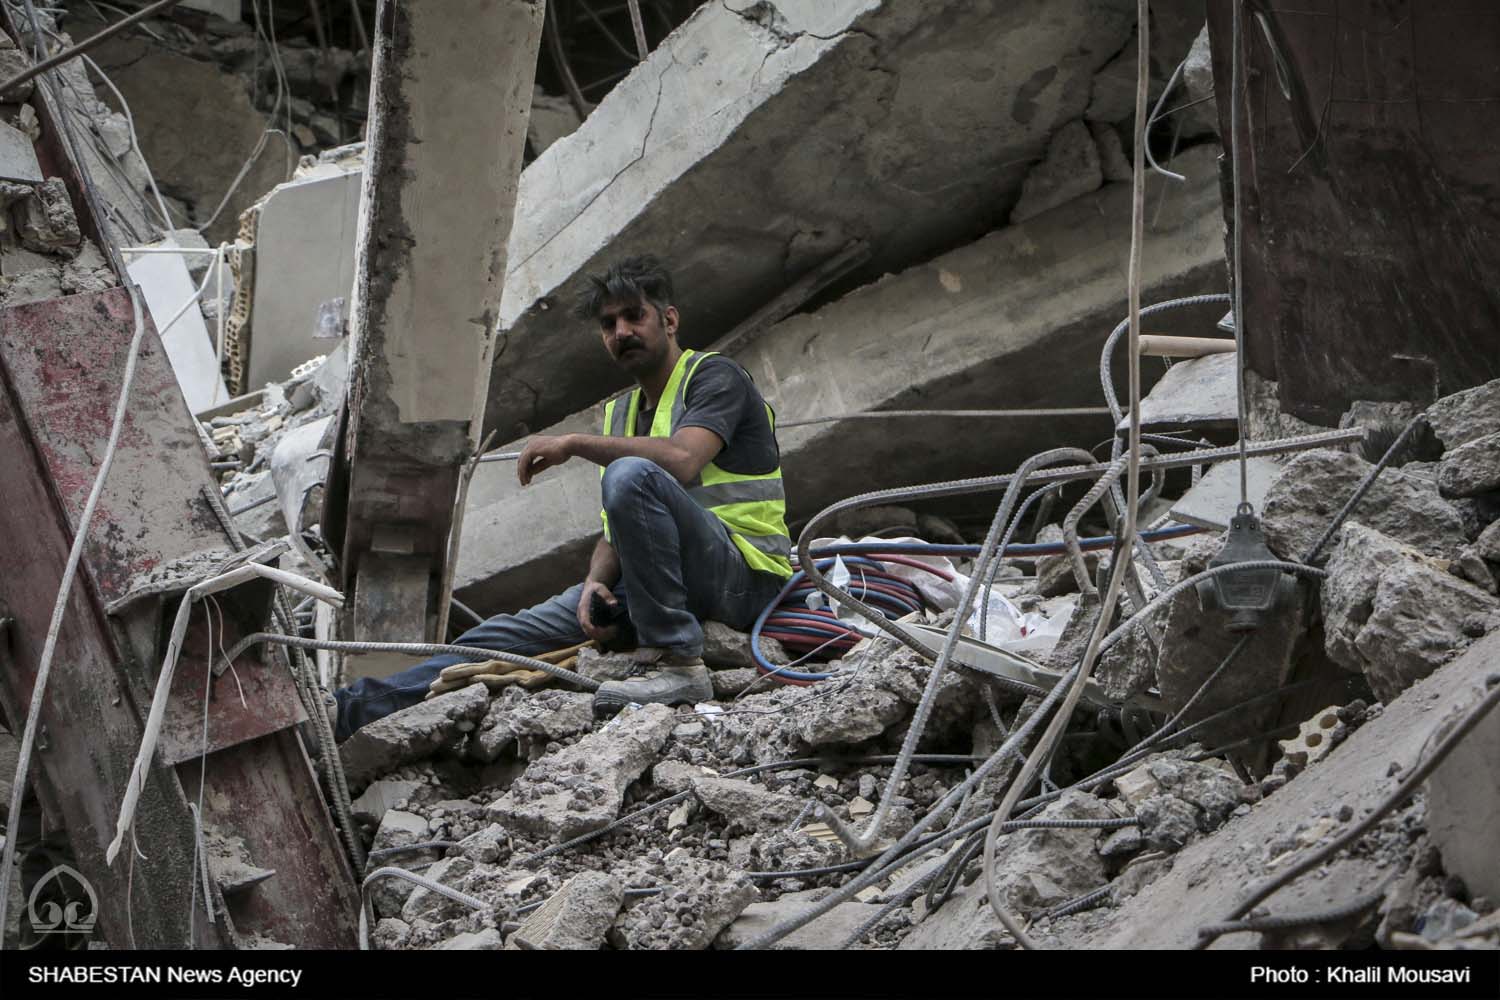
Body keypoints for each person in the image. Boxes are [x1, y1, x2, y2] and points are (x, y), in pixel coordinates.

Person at [332, 255, 793, 740]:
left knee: (630, 472)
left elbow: (680, 459)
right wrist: (595, 583)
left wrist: (573, 444)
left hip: (745, 577)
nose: (622, 332)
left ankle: (680, 664)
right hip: (663, 584)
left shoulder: (715, 378)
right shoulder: (621, 414)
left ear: (669, 319)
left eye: (634, 316)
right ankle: (346, 713)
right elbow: (620, 530)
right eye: (609, 324)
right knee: (496, 640)